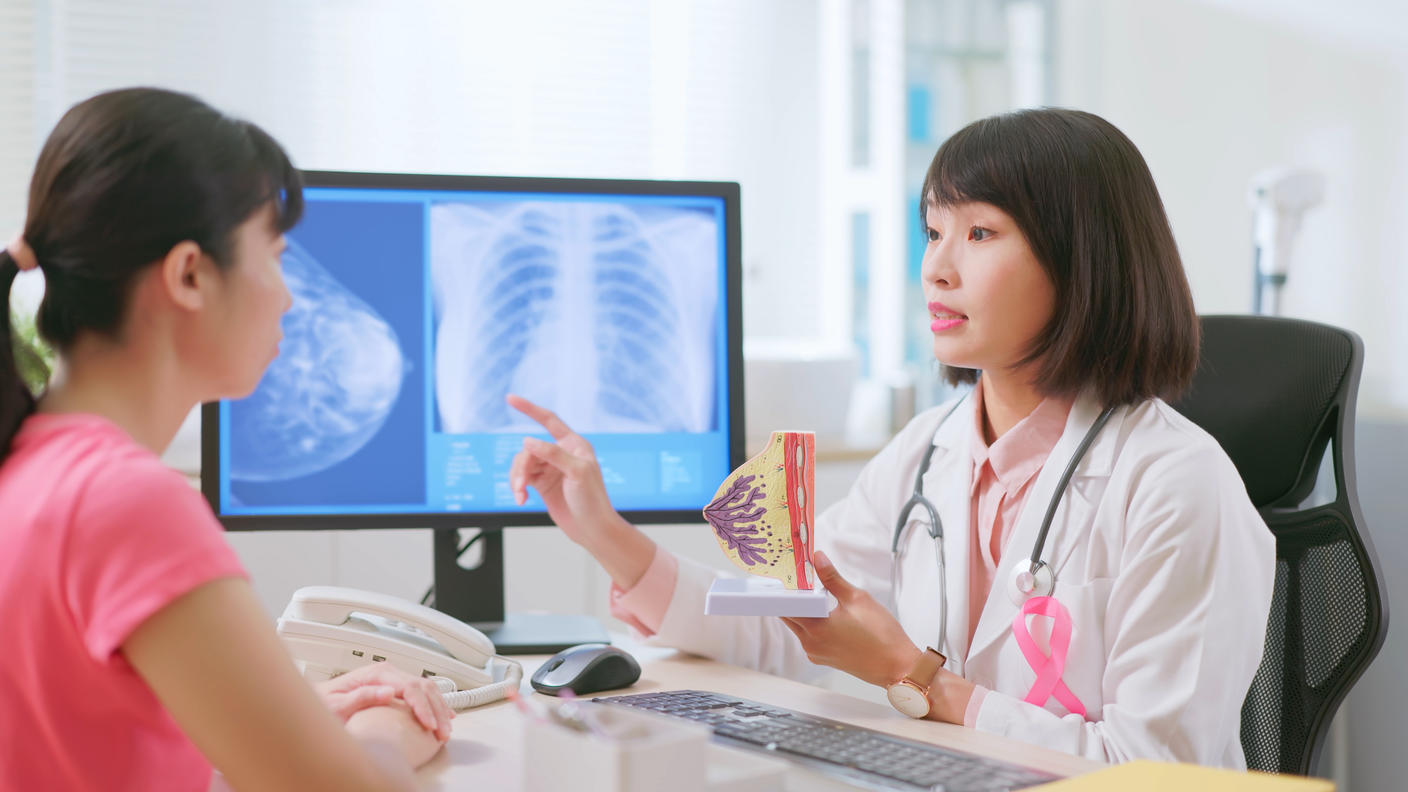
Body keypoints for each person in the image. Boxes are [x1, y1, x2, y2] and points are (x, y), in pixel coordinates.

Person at [506, 107, 1276, 768]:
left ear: (1084, 261)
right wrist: (605, 535)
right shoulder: (927, 451)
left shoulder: (1176, 483)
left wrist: (920, 680)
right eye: (933, 231)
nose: (936, 268)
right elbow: (785, 626)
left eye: (979, 232)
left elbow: (1155, 771)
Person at [0, 88, 454, 791]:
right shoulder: (127, 503)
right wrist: (384, 737)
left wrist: (272, 721)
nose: (288, 295)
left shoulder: (29, 465)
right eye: (272, 256)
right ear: (189, 275)